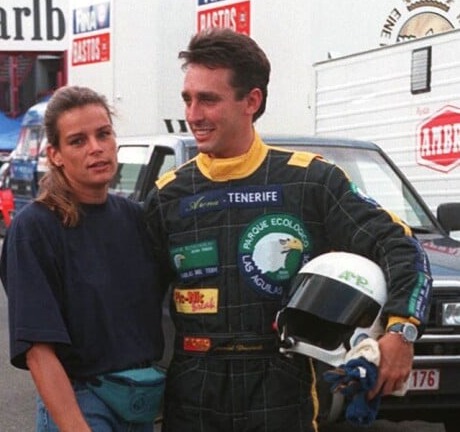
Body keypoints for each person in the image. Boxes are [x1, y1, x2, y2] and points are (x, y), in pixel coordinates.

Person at [143, 28, 433, 432]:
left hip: (281, 385)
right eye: (188, 99)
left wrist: (401, 333)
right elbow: (127, 302)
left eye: (208, 99)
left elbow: (399, 245)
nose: (193, 114)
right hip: (193, 389)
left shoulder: (310, 182)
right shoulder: (168, 196)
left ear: (252, 101)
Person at [0, 85, 165, 432]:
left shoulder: (135, 218)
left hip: (140, 401)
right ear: (55, 154)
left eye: (103, 134)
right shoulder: (36, 228)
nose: (96, 148)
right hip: (83, 403)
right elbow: (38, 351)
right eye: (78, 141)